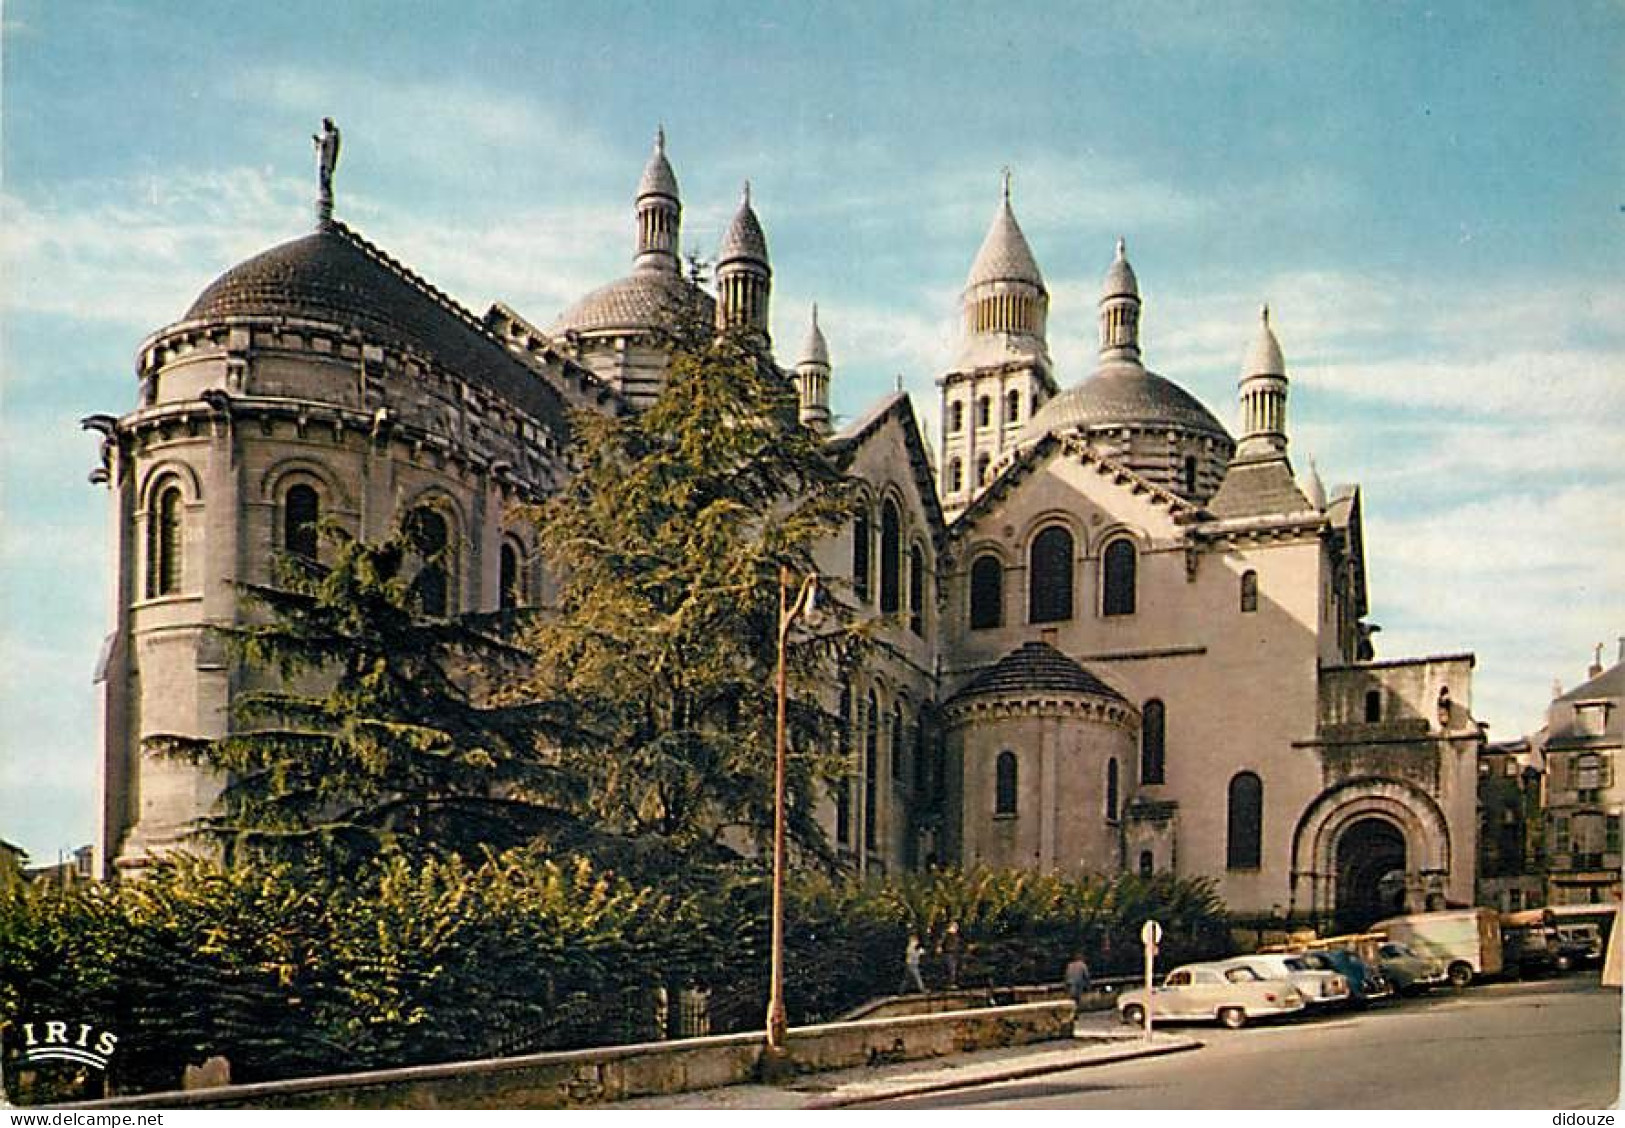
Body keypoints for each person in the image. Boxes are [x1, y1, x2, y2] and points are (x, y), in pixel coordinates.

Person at [940, 921, 963, 988]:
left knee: (954, 968)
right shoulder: (946, 934)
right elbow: (942, 942)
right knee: (951, 968)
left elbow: (959, 943)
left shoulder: (956, 935)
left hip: (955, 953)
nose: (957, 928)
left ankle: (952, 982)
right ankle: (950, 983)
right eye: (955, 926)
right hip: (949, 953)